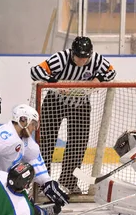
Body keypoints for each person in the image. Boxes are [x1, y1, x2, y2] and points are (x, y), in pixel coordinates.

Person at [30, 36, 116, 196]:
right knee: (46, 142)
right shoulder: (60, 59)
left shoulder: (96, 60)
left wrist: (99, 79)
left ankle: (69, 180)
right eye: (79, 57)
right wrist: (55, 82)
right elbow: (35, 72)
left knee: (78, 144)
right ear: (72, 53)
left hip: (80, 104)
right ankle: (44, 181)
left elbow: (111, 72)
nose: (82, 61)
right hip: (55, 101)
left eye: (85, 58)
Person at [0, 104, 69, 209]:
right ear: (23, 121)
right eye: (33, 124)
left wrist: (46, 182)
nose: (34, 128)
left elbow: (33, 157)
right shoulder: (5, 137)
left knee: (25, 206)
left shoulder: (23, 138)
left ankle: (37, 213)